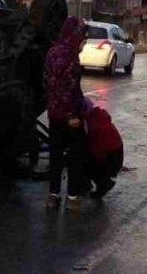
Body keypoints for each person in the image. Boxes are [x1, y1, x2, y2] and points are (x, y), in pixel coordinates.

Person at [45, 16, 88, 209]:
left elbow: (47, 82)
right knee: (75, 155)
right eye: (82, 34)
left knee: (55, 156)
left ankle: (53, 196)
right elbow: (67, 88)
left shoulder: (52, 52)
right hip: (69, 116)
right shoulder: (70, 56)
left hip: (54, 114)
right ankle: (72, 197)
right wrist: (72, 115)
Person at [84, 100, 123, 200]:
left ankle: (103, 183)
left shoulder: (93, 126)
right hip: (116, 152)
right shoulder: (99, 116)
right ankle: (100, 182)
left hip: (110, 156)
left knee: (86, 164)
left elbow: (97, 150)